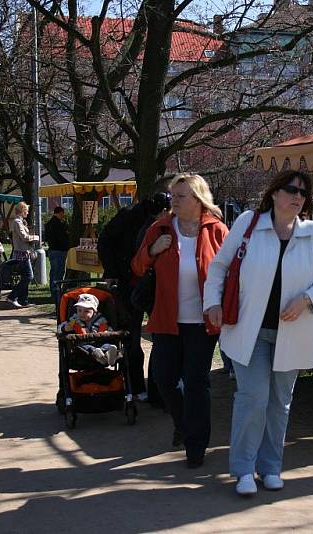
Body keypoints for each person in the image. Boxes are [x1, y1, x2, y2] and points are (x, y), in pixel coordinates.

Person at [205, 170, 313, 496]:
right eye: (291, 189)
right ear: (275, 193)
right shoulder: (250, 223)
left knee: (280, 403)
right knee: (253, 398)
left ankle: (270, 467)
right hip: (250, 332)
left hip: (292, 334)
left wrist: (307, 298)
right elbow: (220, 266)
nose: (296, 196)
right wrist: (212, 302)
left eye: (303, 193)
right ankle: (244, 469)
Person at [132, 173, 228, 469]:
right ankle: (184, 424)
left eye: (180, 195)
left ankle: (196, 446)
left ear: (198, 199)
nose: (173, 200)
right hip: (166, 319)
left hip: (202, 322)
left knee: (197, 382)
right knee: (164, 379)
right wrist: (152, 250)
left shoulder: (217, 231)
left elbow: (231, 272)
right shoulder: (160, 228)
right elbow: (136, 267)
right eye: (173, 195)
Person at [99, 184, 171, 403]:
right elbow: (106, 241)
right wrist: (112, 271)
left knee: (156, 337)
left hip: (147, 283)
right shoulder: (132, 217)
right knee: (133, 338)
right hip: (130, 282)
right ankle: (138, 387)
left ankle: (152, 390)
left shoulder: (153, 219)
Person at [58, 293, 119, 366]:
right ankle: (96, 353)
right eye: (79, 310)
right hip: (84, 343)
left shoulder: (101, 319)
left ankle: (108, 353)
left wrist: (108, 332)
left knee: (107, 345)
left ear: (95, 311)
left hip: (100, 341)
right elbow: (59, 329)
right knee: (80, 347)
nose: (82, 314)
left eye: (86, 311)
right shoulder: (74, 319)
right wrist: (64, 328)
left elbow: (110, 329)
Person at [7, 202, 38, 308]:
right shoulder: (17, 222)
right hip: (21, 253)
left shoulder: (19, 222)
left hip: (23, 252)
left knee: (25, 276)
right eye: (27, 211)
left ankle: (23, 300)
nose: (28, 213)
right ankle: (12, 296)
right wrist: (36, 237)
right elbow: (24, 237)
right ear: (22, 210)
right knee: (29, 276)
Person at [44, 206, 70, 308]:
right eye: (62, 214)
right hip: (60, 250)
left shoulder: (48, 224)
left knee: (53, 271)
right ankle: (57, 291)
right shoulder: (60, 225)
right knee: (59, 271)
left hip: (51, 250)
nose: (63, 216)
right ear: (59, 213)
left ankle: (52, 290)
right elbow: (63, 238)